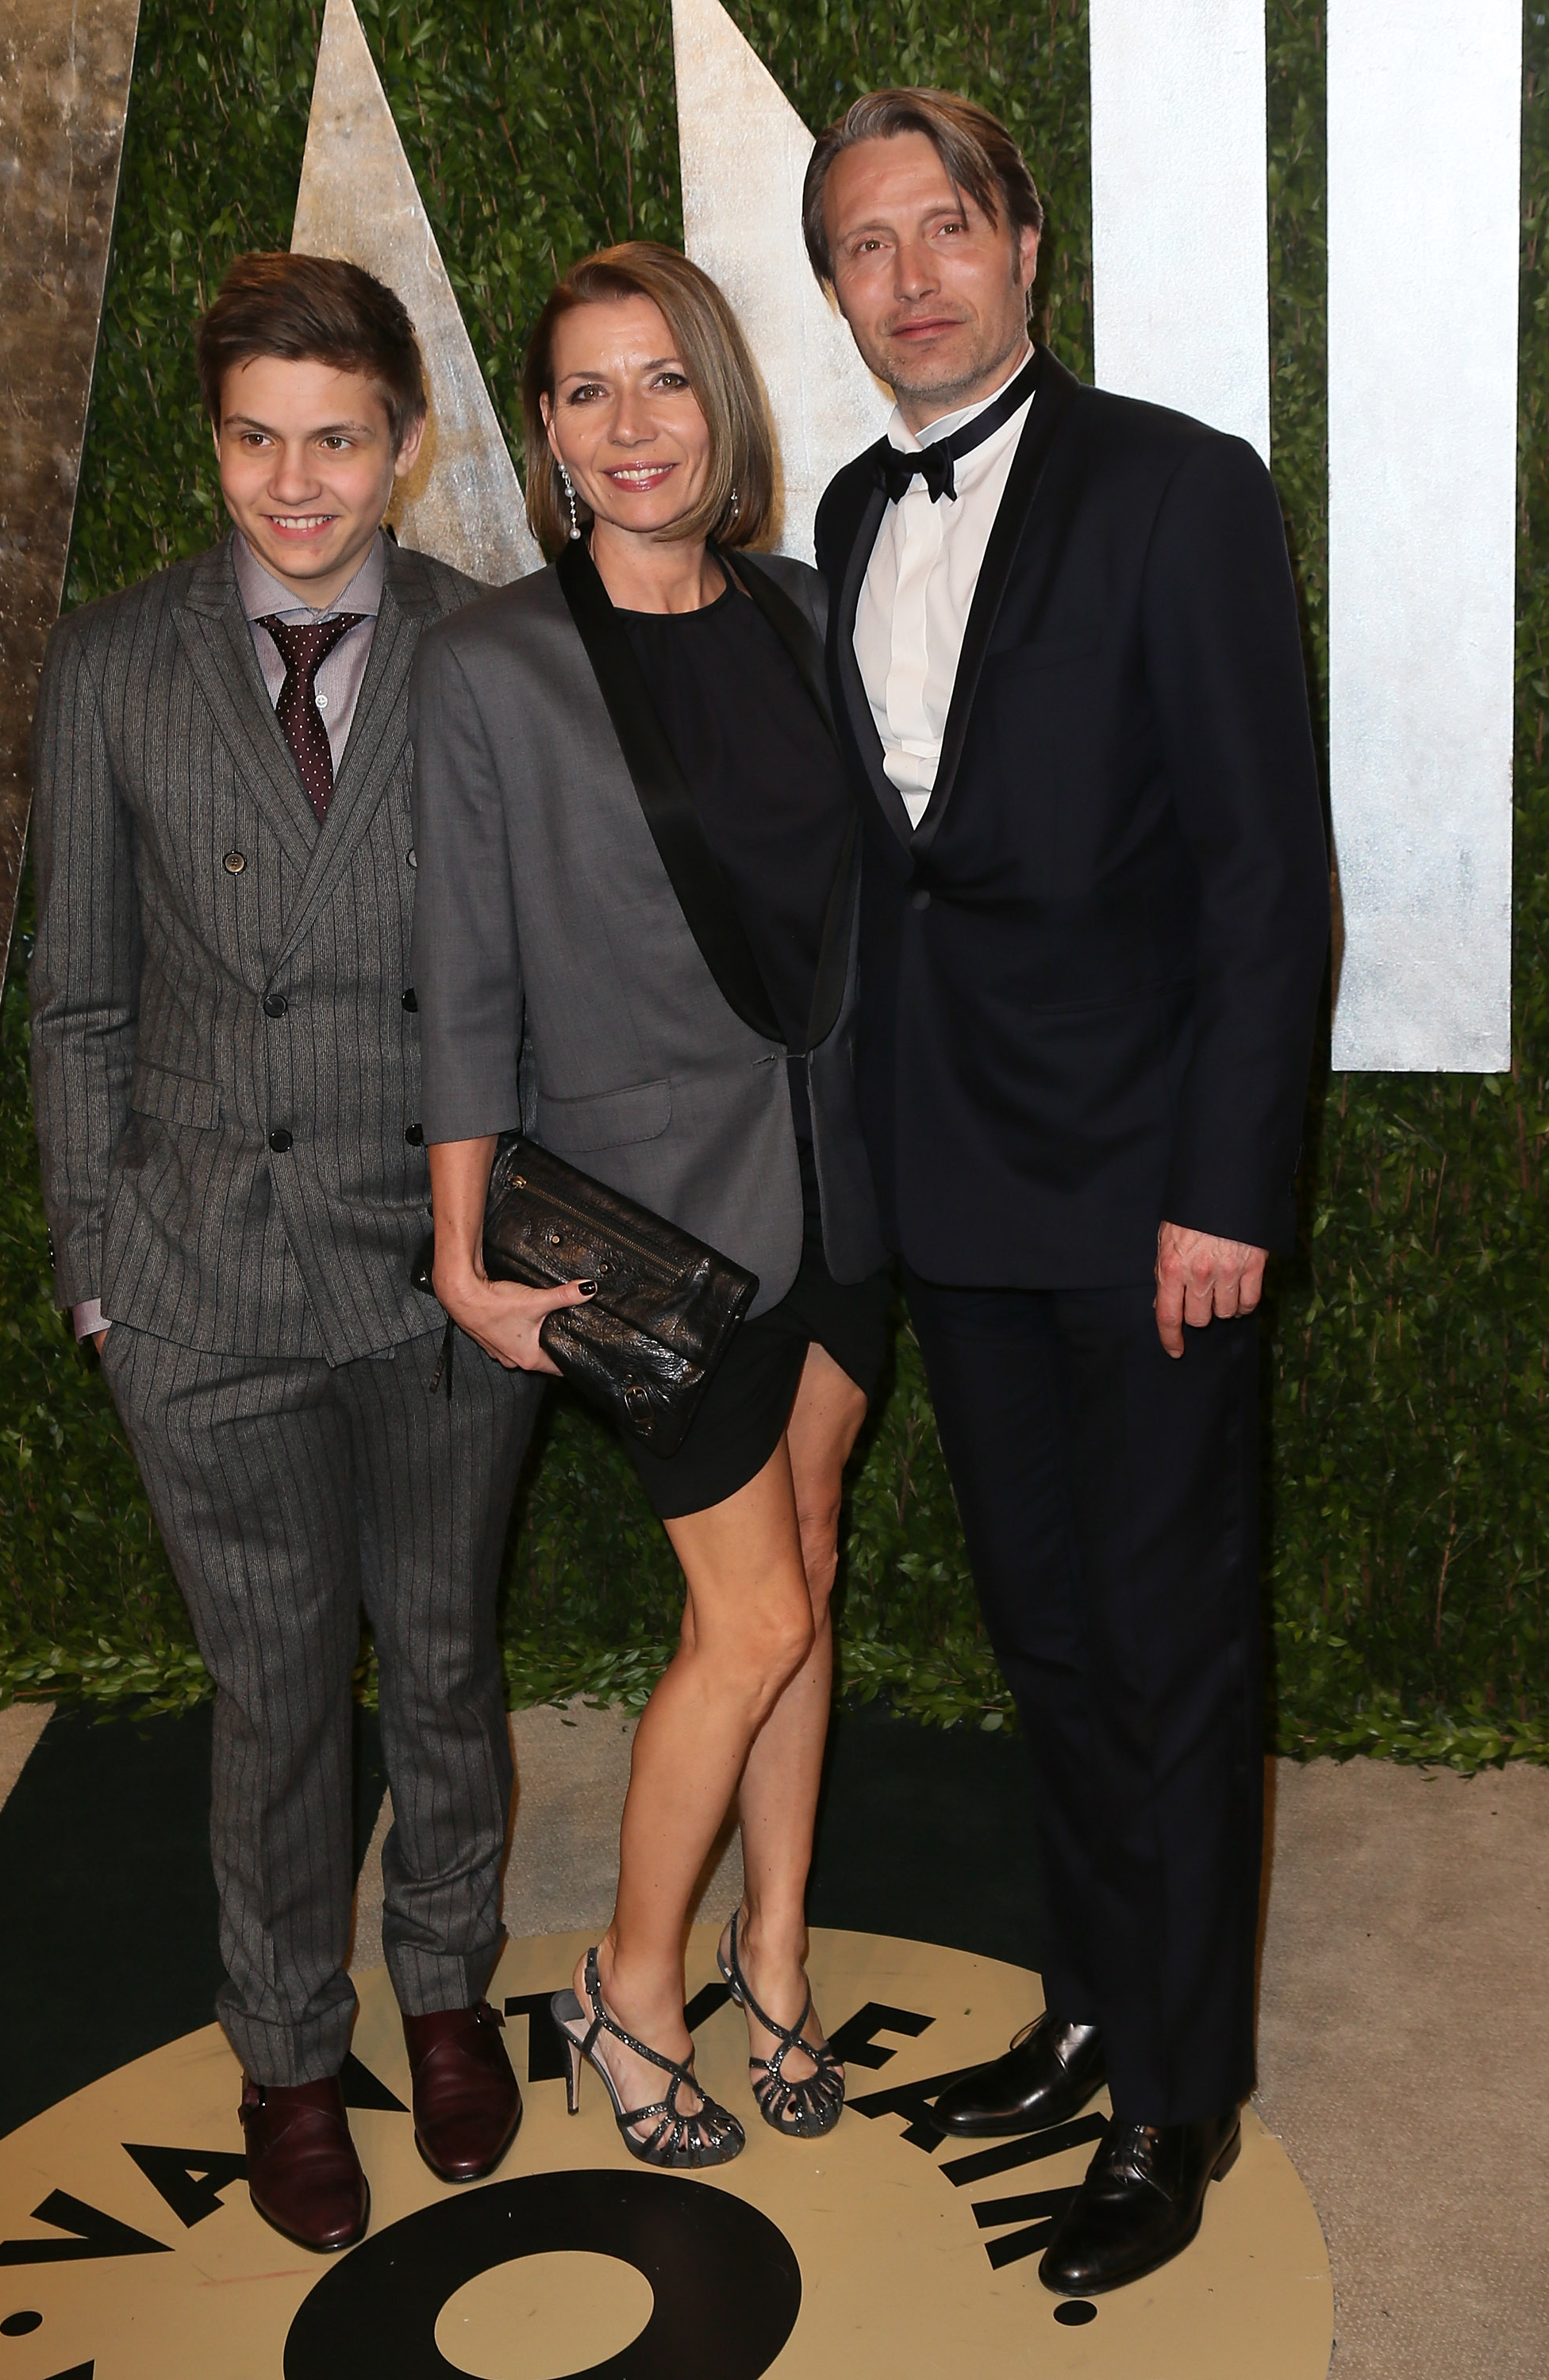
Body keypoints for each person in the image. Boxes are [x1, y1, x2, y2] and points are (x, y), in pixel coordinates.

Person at [805, 92, 1329, 2293]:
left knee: (1168, 1645)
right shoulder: (837, 512)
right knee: (1046, 1638)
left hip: (1145, 1206)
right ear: (830, 287)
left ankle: (1178, 2092)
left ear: (1028, 246)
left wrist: (1224, 1188)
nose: (911, 274)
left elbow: (1260, 877)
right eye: (862, 245)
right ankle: (1099, 2003)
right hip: (945, 1191)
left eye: (947, 227)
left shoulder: (1178, 490)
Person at [29, 252, 541, 2252]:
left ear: (404, 450)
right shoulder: (112, 664)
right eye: (257, 437)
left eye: (338, 440)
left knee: (437, 1661)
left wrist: (502, 1243)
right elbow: (77, 1000)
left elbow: (536, 980)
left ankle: (441, 1996)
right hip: (198, 1288)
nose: (297, 483)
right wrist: (99, 1268)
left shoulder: (495, 652)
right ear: (215, 443)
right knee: (266, 1697)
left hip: (434, 1273)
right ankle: (281, 2051)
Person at [409, 241, 890, 2167]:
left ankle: (771, 1951)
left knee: (817, 1564)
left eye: (664, 382)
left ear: (720, 400)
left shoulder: (798, 613)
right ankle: (627, 1982)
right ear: (542, 433)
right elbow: (464, 974)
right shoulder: (493, 668)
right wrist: (461, 1248)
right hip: (645, 1227)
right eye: (588, 393)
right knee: (748, 1616)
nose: (632, 426)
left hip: (847, 1187)